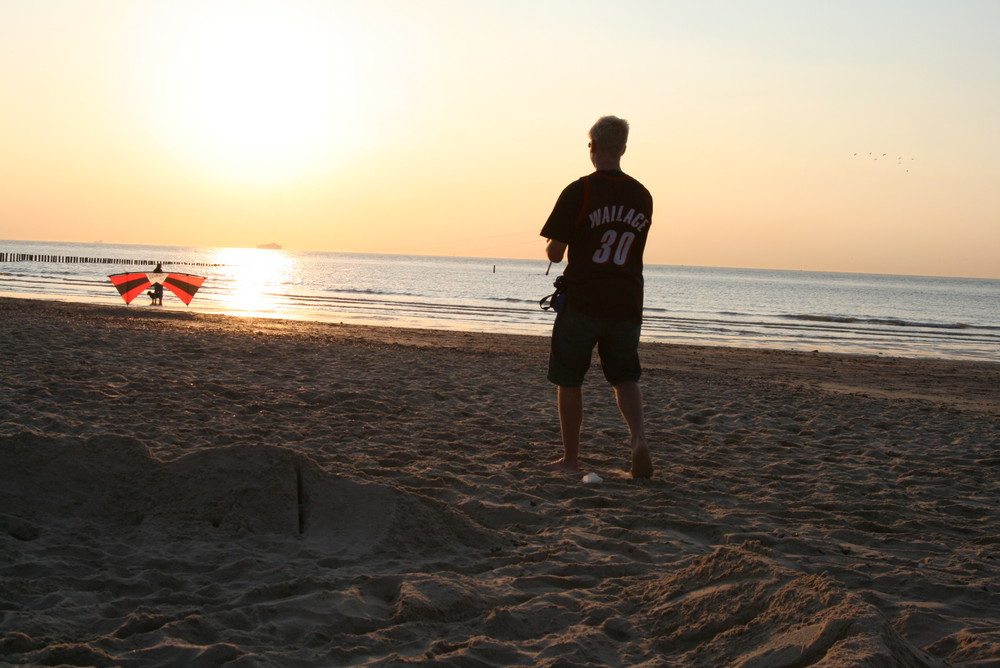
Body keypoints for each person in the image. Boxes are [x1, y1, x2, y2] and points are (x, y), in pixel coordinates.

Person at [539, 115, 654, 479]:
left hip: (584, 299)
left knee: (569, 379)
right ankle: (638, 439)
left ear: (592, 148)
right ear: (622, 148)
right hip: (626, 300)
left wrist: (561, 243)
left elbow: (556, 253)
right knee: (625, 376)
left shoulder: (579, 190)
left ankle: (571, 458)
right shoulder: (642, 195)